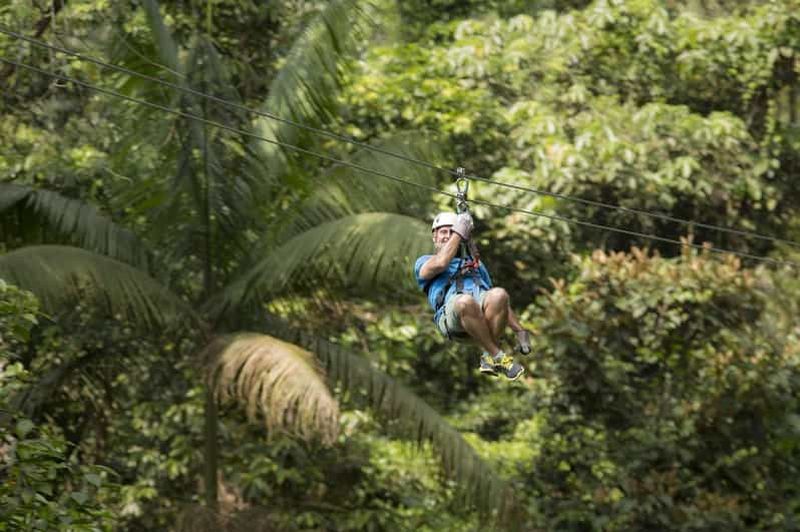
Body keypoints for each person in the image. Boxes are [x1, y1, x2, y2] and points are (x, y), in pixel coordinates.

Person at [414, 211, 531, 381]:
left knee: (499, 294)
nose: (448, 236)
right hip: (453, 318)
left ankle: (489, 355)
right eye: (443, 232)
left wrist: (520, 331)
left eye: (451, 231)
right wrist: (459, 231)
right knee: (465, 301)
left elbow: (498, 302)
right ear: (434, 236)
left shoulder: (475, 264)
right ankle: (497, 355)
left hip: (481, 320)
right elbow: (441, 263)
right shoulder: (424, 262)